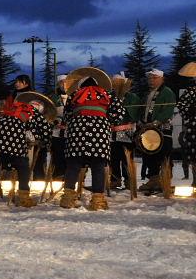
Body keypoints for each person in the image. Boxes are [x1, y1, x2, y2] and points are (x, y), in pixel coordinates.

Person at [60, 68, 125, 210]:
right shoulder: (107, 95)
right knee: (98, 166)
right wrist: (105, 119)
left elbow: (66, 116)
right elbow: (119, 114)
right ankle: (98, 201)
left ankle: (68, 199)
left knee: (74, 165)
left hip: (77, 133)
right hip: (99, 133)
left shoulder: (74, 95)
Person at [0, 92, 53, 208]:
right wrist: (43, 141)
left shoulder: (15, 107)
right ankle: (24, 198)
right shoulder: (33, 112)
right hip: (13, 140)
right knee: (23, 167)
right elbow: (45, 130)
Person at [138, 68, 176, 194]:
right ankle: (154, 179)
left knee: (164, 155)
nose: (151, 80)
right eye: (149, 78)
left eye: (154, 78)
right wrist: (141, 122)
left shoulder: (167, 92)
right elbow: (142, 110)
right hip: (148, 130)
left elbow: (168, 110)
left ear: (162, 79)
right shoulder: (148, 94)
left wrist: (156, 122)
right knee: (149, 155)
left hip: (162, 129)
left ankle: (165, 180)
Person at [108, 73, 141, 190]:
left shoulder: (132, 97)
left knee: (126, 158)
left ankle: (129, 180)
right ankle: (114, 179)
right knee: (113, 157)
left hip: (127, 131)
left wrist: (121, 106)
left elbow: (135, 114)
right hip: (112, 131)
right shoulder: (109, 96)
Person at [176, 62, 196, 193]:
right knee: (194, 155)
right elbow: (181, 105)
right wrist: (191, 112)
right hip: (194, 126)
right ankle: (195, 180)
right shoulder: (190, 91)